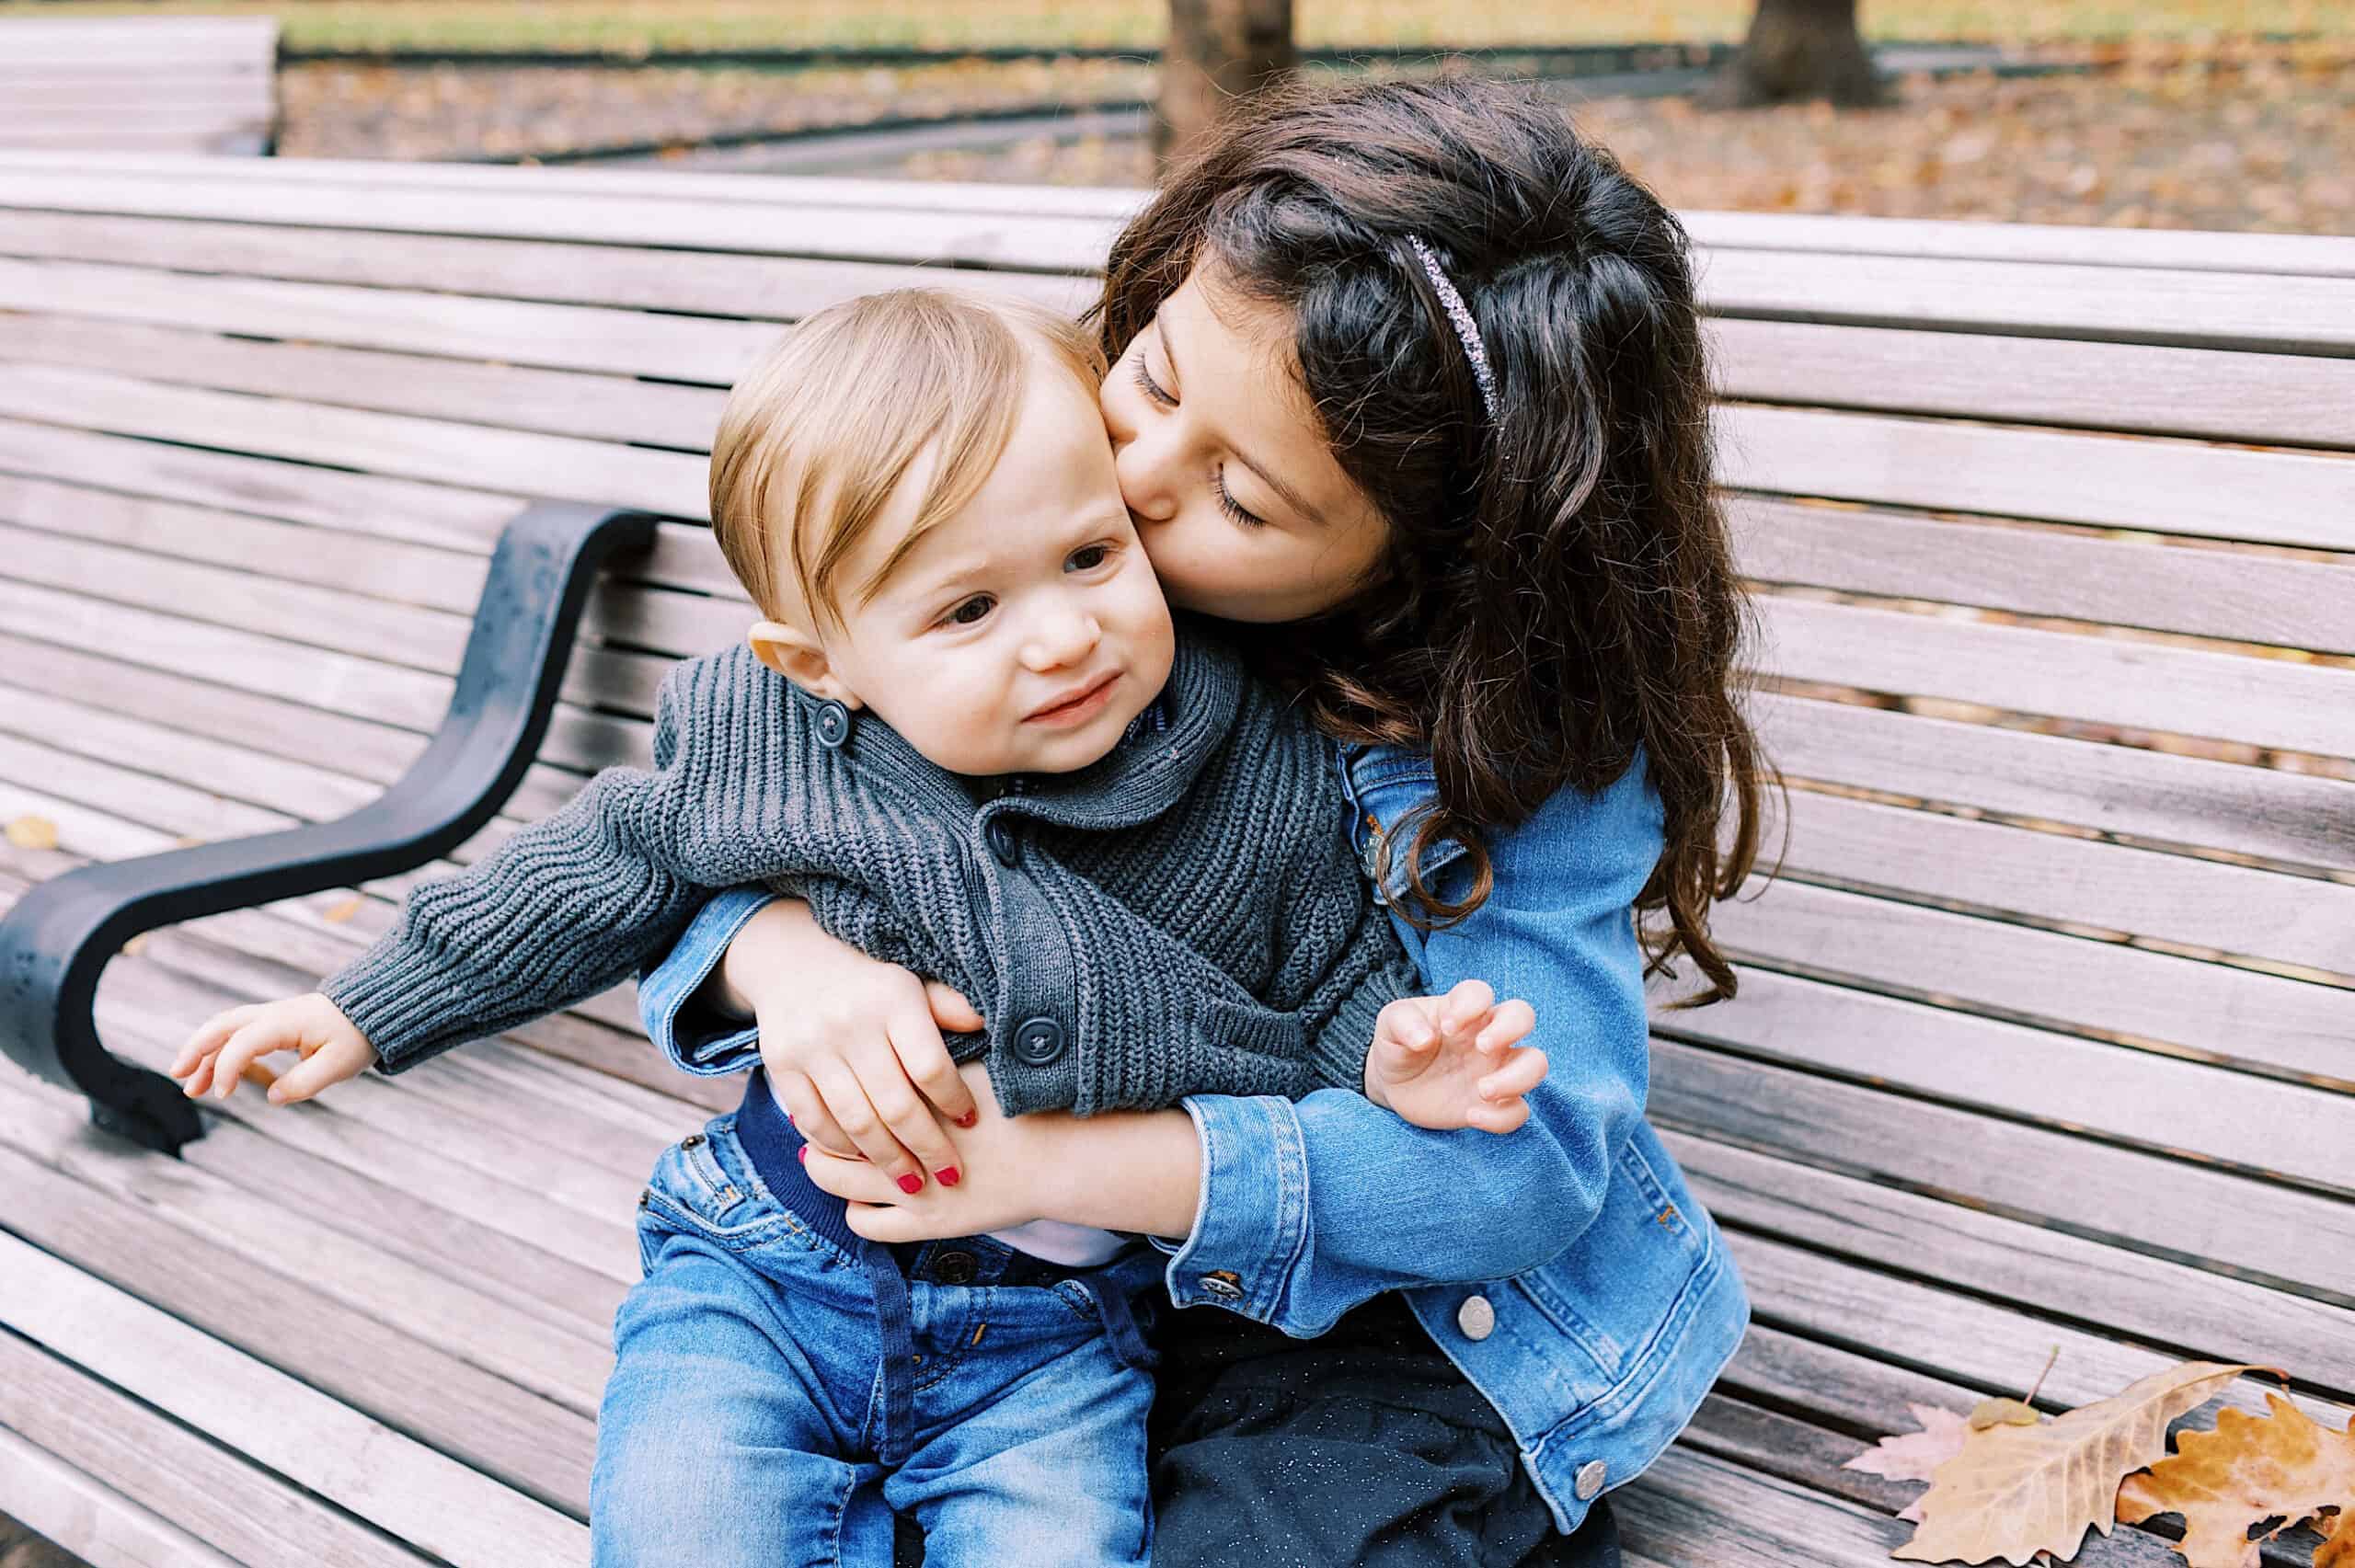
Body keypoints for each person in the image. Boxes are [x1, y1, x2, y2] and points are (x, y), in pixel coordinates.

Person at [168, 286, 1549, 1567]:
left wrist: (1394, 1055)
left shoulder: (1254, 782)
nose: (1062, 635)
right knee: (683, 1525)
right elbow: (597, 868)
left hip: (1055, 1339)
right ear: (823, 659)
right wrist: (367, 1004)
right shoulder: (783, 743)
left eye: (1089, 553)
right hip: (765, 1270)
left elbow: (1325, 986)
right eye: (969, 608)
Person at [636, 75, 1771, 1565]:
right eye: (1157, 378)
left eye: (1238, 494)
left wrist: (1052, 1166)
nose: (1137, 477)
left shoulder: (1523, 752)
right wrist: (784, 960)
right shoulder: (1066, 575)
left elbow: (1526, 1167)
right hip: (1071, 1301)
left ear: (1436, 556)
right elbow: (760, 791)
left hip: (1393, 1328)